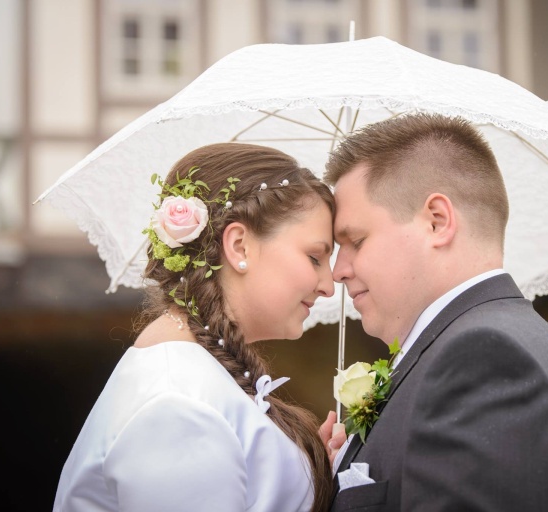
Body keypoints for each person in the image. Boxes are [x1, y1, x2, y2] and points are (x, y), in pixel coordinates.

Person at [325, 113, 548, 511]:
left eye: (356, 241)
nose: (338, 271)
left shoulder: (483, 361)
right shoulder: (512, 339)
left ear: (437, 222)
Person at [53, 142, 341, 512]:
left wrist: (306, 473)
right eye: (315, 257)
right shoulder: (178, 406)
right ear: (239, 246)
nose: (329, 284)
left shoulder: (192, 377)